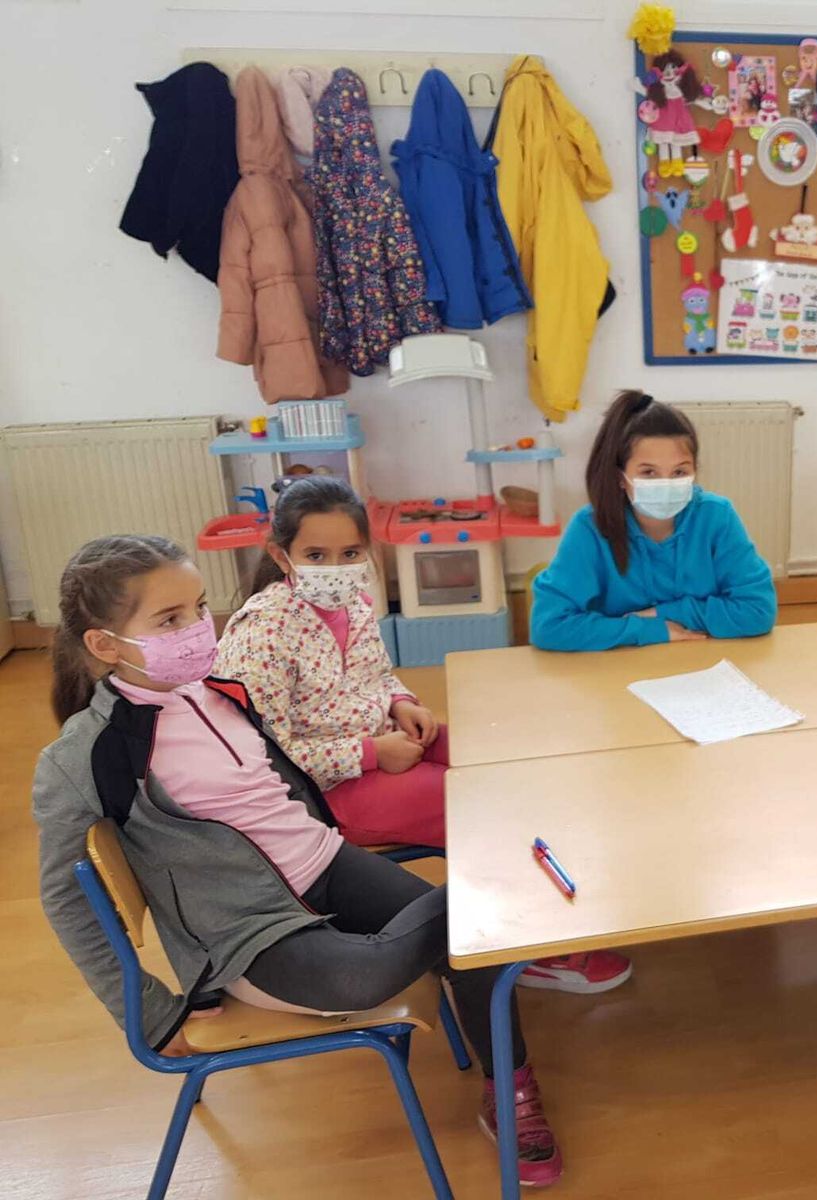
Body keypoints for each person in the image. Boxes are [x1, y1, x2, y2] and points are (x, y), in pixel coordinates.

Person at [35, 535, 570, 1187]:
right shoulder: (83, 756)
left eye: (200, 608)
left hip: (324, 862)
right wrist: (143, 1008)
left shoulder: (217, 692)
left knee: (479, 939)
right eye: (170, 620)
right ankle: (499, 893)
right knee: (409, 952)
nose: (199, 629)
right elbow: (66, 897)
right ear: (105, 644)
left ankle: (510, 1084)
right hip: (248, 930)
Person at [215, 478, 632, 995]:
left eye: (349, 552)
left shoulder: (355, 604)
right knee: (483, 813)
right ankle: (532, 954)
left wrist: (402, 703)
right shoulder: (263, 630)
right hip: (324, 792)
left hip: (384, 744)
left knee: (507, 766)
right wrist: (370, 754)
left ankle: (550, 917)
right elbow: (262, 756)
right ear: (281, 555)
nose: (334, 568)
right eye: (316, 555)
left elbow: (375, 675)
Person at [532, 391, 777, 650]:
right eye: (649, 472)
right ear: (619, 477)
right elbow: (549, 626)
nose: (666, 484)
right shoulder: (590, 527)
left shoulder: (716, 516)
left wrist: (664, 613)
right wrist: (646, 629)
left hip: (700, 662)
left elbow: (758, 611)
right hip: (617, 669)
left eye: (680, 471)